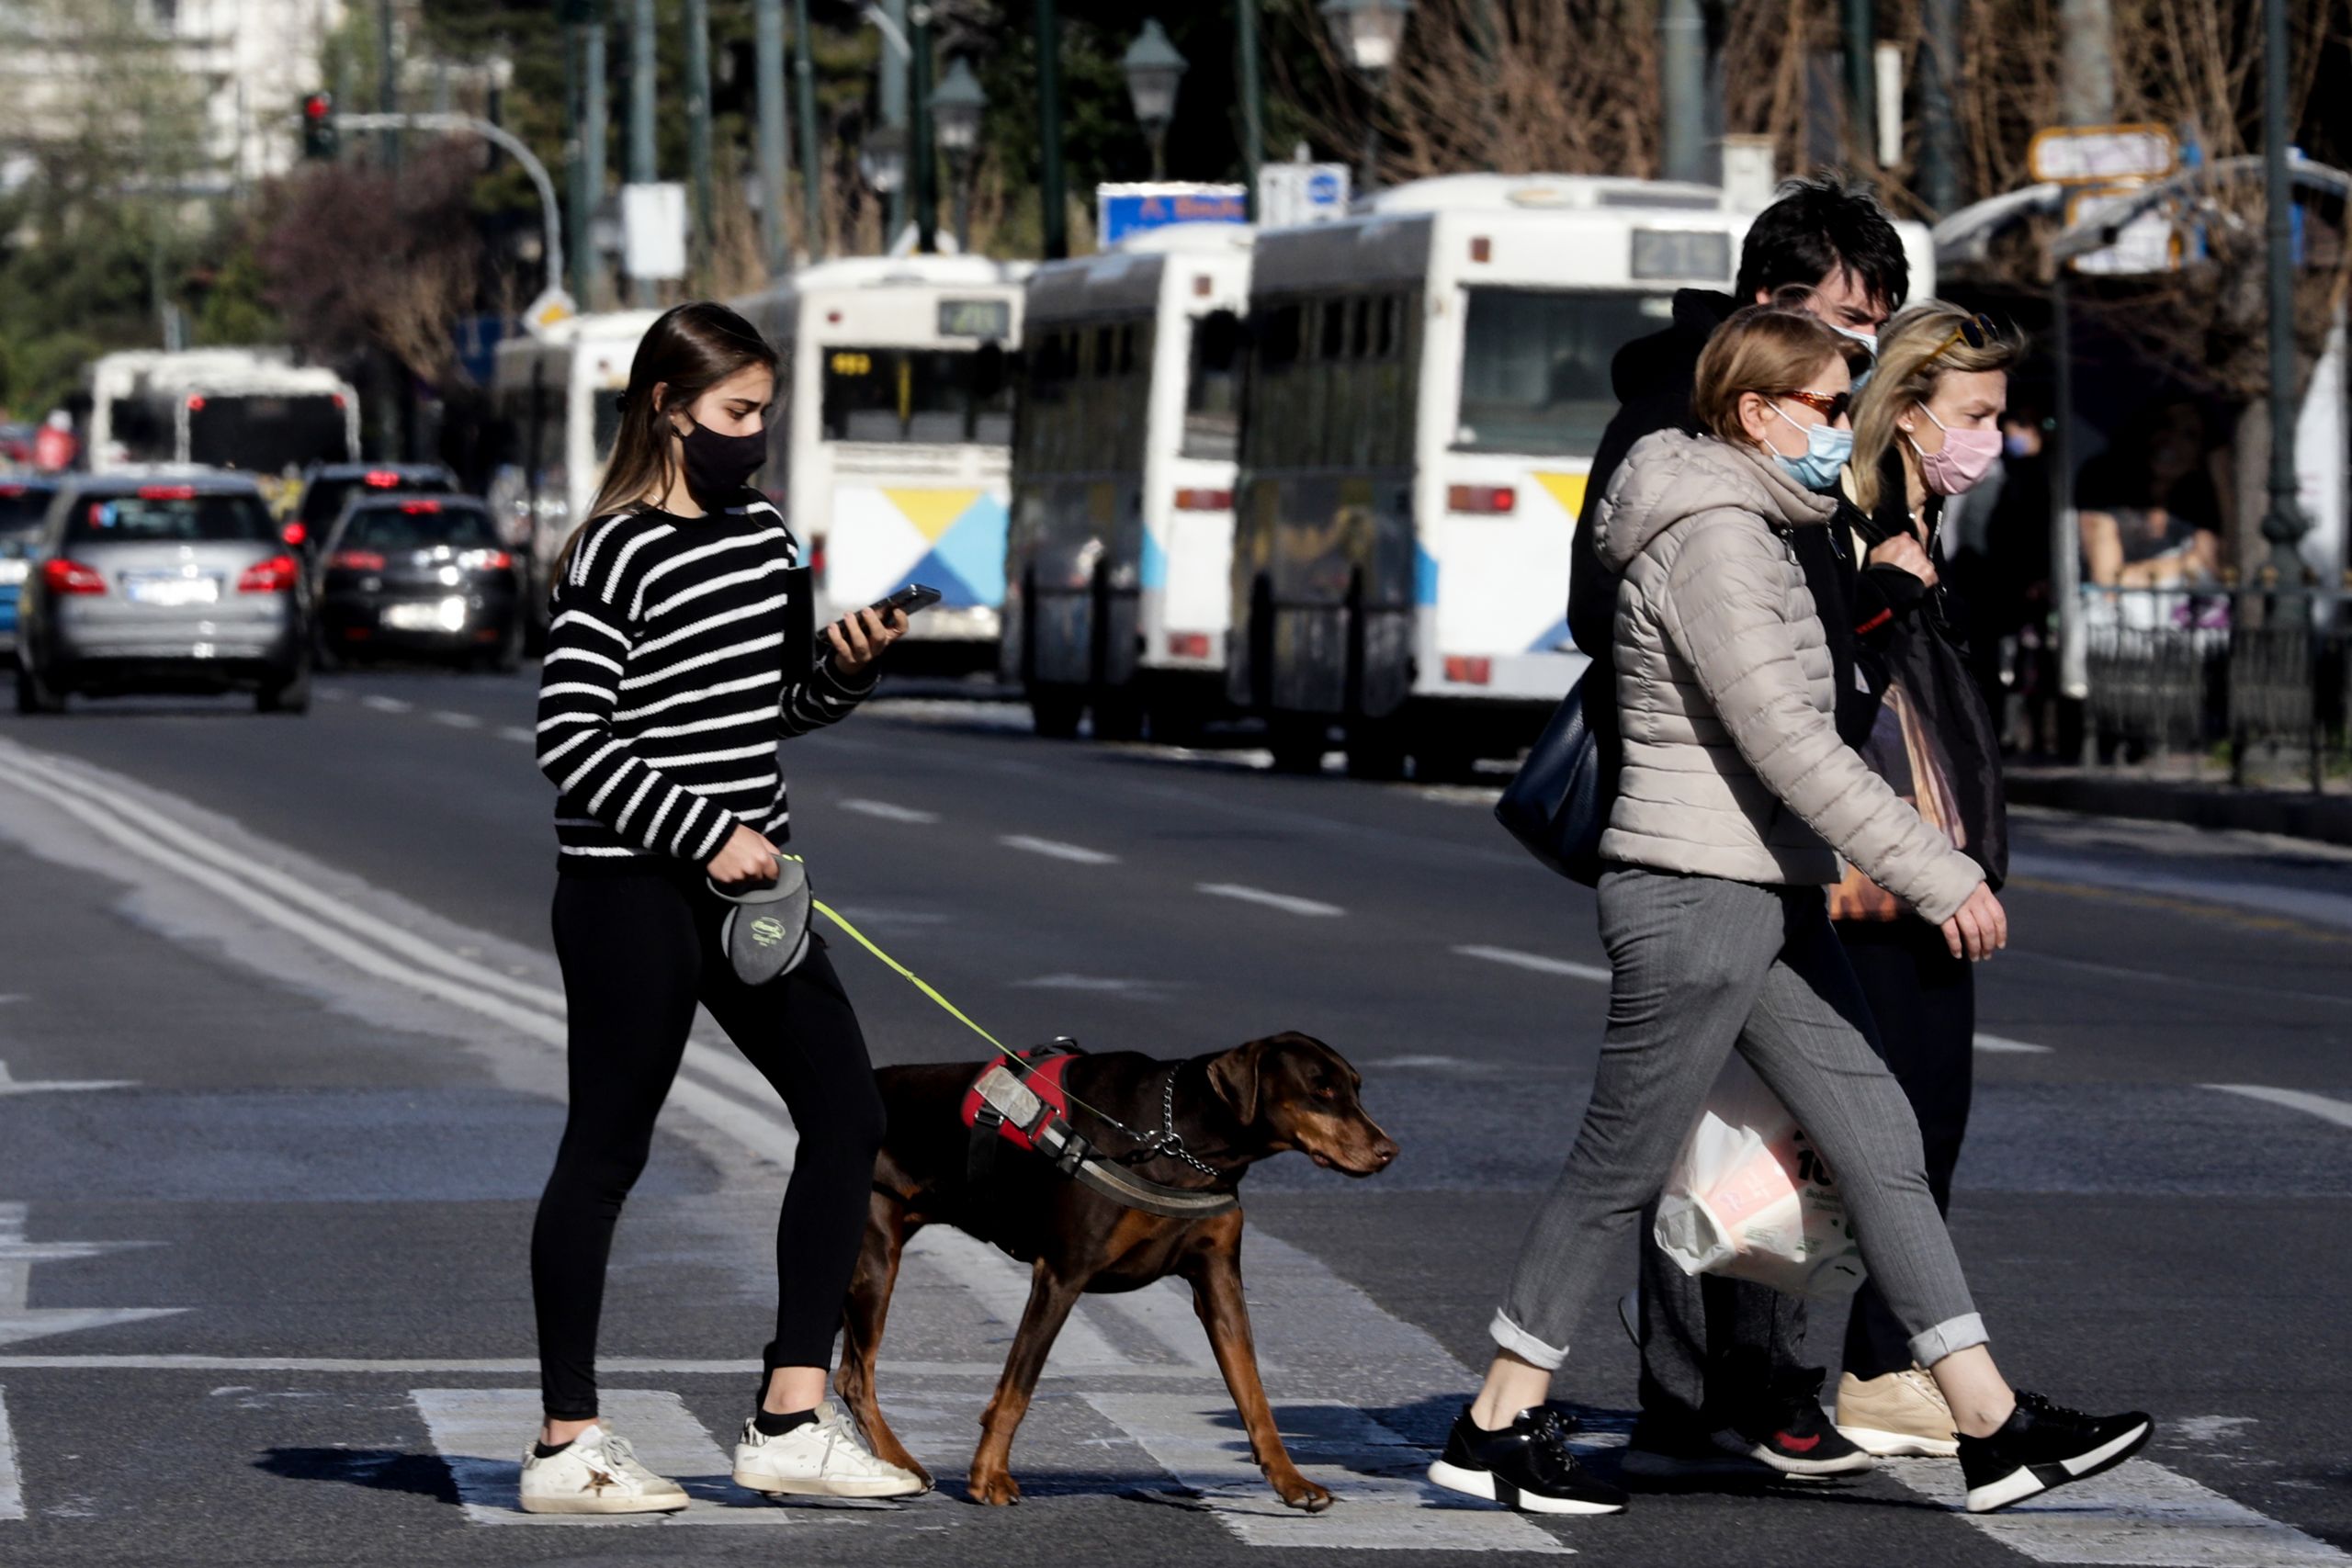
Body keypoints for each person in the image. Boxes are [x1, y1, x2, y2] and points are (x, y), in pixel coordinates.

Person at [1426, 305, 2153, 1518]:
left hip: (1766, 888)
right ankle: (1495, 1418)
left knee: (1878, 1140)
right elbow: (1787, 739)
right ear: (1758, 411)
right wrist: (1939, 871)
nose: (1840, 425)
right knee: (1618, 1167)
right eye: (1825, 402)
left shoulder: (1764, 525)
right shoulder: (1713, 535)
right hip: (1696, 892)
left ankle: (1989, 1423)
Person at [519, 301, 923, 1514]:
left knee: (849, 1117)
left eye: (765, 414)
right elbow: (568, 736)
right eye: (738, 413)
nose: (755, 435)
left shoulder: (763, 540)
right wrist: (706, 832)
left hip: (754, 890)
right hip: (631, 889)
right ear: (669, 407)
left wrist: (844, 668)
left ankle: (792, 1414)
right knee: (607, 1150)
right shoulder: (613, 551)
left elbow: (772, 708)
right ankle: (566, 1440)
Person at [1566, 174, 1920, 1481]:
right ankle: (1716, 1385)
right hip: (1702, 823)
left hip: (1775, 822)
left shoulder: (1822, 421)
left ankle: (1753, 1384)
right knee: (1690, 1120)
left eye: (1874, 325)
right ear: (1772, 302)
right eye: (1844, 317)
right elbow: (1599, 606)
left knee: (1771, 1111)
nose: (1859, 351)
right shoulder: (1673, 415)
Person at [1824, 304, 2019, 1458]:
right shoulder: (1848, 523)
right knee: (1891, 1126)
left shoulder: (1922, 517)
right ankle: (1866, 1366)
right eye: (1976, 415)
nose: (1991, 436)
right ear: (1907, 413)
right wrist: (1886, 592)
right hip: (1871, 872)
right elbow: (1807, 675)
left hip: (1918, 867)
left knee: (1919, 1121)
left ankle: (1875, 1361)